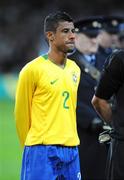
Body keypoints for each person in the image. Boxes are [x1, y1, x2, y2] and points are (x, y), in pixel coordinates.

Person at [14, 11, 82, 180]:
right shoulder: (32, 70)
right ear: (50, 36)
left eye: (73, 31)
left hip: (72, 148)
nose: (72, 36)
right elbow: (21, 114)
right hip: (41, 150)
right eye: (65, 31)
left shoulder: (75, 69)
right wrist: (31, 148)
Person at [69, 17, 108, 180]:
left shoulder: (107, 60)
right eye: (90, 36)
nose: (94, 40)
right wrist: (93, 120)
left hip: (108, 134)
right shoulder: (67, 64)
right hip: (82, 134)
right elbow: (68, 98)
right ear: (76, 38)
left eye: (96, 35)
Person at [92, 49, 124, 180]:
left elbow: (98, 101)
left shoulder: (119, 59)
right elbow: (99, 101)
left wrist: (118, 126)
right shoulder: (119, 60)